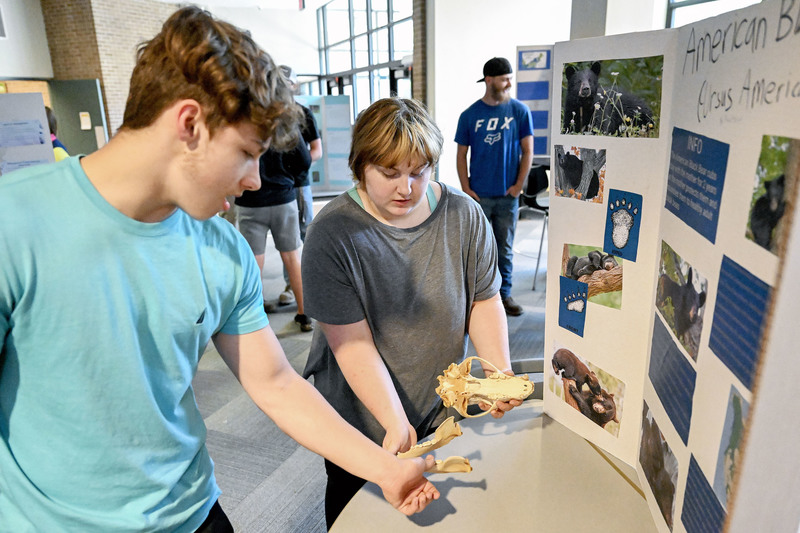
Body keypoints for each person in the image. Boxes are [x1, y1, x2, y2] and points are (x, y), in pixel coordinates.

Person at [0, 8, 439, 531]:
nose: (255, 180)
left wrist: (385, 469)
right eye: (248, 154)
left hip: (194, 513)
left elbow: (275, 382)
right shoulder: (15, 224)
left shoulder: (223, 249)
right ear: (190, 125)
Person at [301, 97, 522, 528]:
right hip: (362, 424)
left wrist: (499, 373)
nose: (406, 188)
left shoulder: (463, 214)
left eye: (419, 172)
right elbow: (353, 344)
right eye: (390, 173)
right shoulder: (332, 233)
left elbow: (483, 298)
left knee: (434, 513)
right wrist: (395, 425)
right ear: (360, 166)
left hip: (435, 408)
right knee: (359, 518)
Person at [234, 71, 315, 332]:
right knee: (293, 258)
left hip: (250, 202)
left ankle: (256, 319)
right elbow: (304, 160)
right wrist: (287, 178)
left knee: (254, 262)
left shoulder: (242, 119)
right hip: (283, 199)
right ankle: (304, 314)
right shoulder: (286, 121)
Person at [455, 56, 534, 317]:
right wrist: (466, 188)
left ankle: (504, 296)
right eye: (504, 78)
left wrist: (518, 186)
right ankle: (475, 299)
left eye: (509, 78)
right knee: (475, 250)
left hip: (507, 195)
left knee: (504, 248)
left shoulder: (520, 111)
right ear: (489, 80)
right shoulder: (469, 115)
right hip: (478, 197)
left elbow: (528, 151)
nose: (509, 83)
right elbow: (461, 154)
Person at [277, 65, 322, 307]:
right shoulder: (268, 115)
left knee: (306, 233)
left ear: (294, 86)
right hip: (276, 188)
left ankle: (312, 283)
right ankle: (291, 284)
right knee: (287, 239)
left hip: (299, 184)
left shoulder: (303, 114)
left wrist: (298, 162)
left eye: (286, 84)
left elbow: (317, 150)